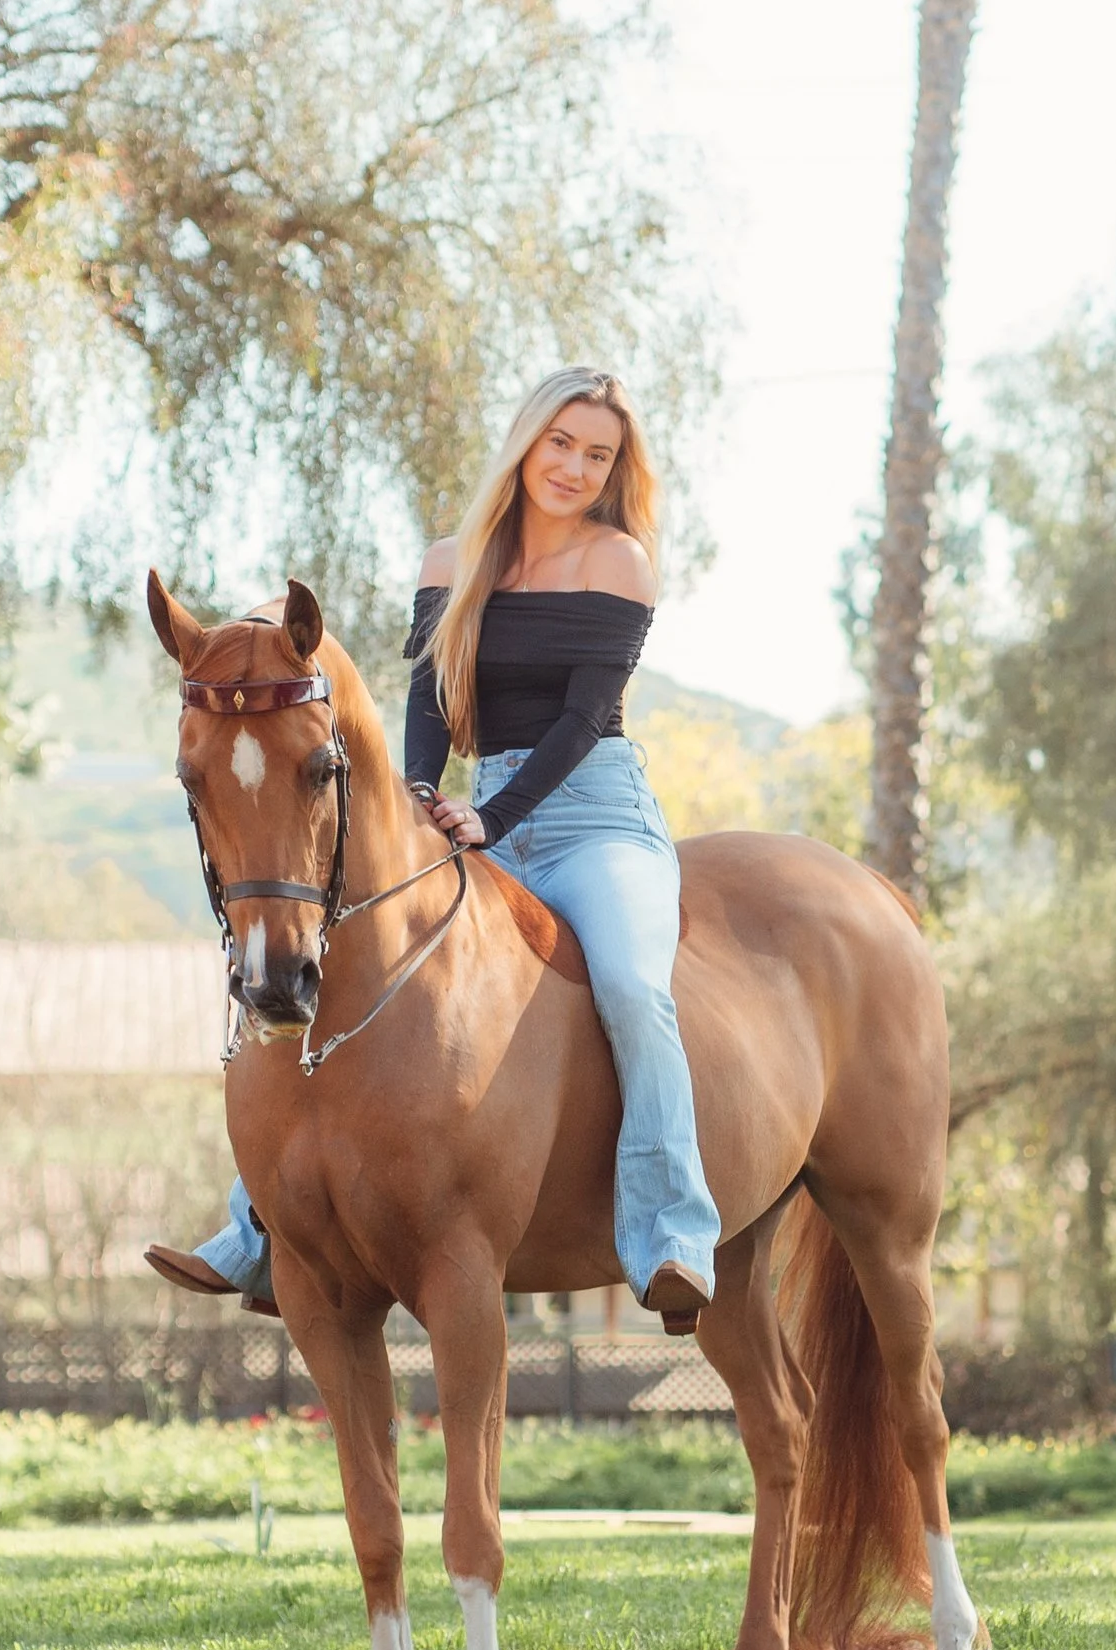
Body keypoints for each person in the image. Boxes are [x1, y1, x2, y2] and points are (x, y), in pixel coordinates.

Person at [153, 366, 722, 1328]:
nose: (576, 468)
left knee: (632, 983)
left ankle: (671, 1229)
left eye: (599, 454)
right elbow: (428, 695)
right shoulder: (451, 561)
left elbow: (586, 717)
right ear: (526, 440)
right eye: (562, 444)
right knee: (331, 959)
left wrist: (496, 819)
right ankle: (257, 1227)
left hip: (593, 818)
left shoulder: (619, 561)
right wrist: (422, 791)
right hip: (477, 803)